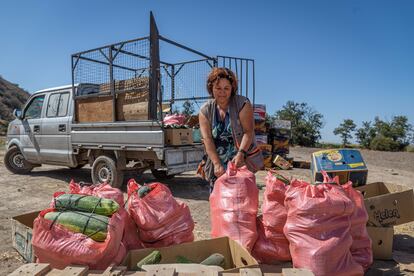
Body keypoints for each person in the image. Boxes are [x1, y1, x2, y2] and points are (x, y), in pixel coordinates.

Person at [198, 67, 263, 192]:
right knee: (220, 203)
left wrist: (241, 154)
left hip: (240, 162)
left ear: (232, 89)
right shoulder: (205, 110)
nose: (222, 92)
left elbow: (248, 132)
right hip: (217, 163)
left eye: (226, 88)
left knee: (241, 200)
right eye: (218, 88)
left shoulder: (242, 103)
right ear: (211, 88)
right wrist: (217, 164)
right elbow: (207, 139)